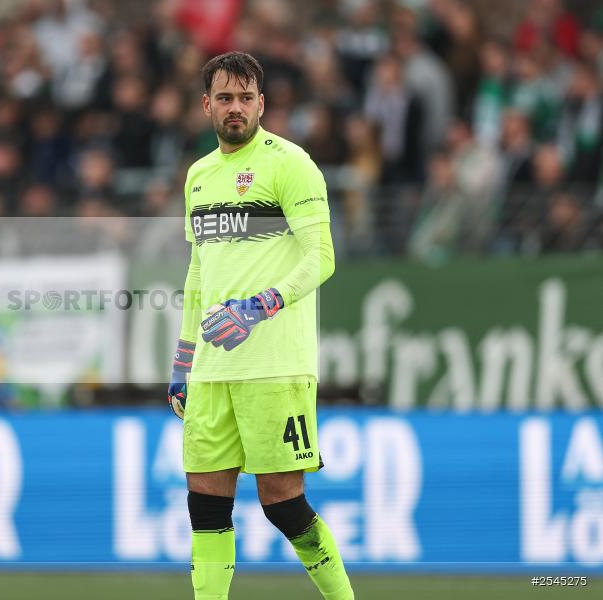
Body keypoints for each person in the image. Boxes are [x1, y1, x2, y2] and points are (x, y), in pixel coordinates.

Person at [168, 51, 353, 600]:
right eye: (224, 98)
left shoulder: (290, 164)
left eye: (246, 98)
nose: (235, 108)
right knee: (205, 502)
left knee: (283, 503)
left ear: (262, 104)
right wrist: (183, 359)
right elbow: (199, 269)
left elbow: (322, 256)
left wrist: (260, 306)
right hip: (211, 369)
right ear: (207, 105)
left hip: (275, 365)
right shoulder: (199, 175)